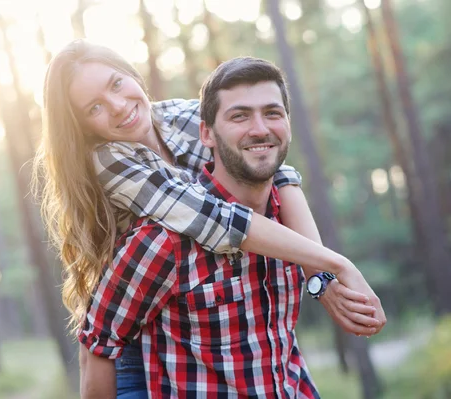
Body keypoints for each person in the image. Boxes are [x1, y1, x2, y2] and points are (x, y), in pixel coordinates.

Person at [33, 40, 385, 398]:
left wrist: (320, 278)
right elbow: (211, 219)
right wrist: (333, 263)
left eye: (116, 84)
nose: (119, 106)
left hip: (218, 328)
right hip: (137, 344)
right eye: (95, 107)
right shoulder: (107, 161)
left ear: (131, 73)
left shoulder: (184, 116)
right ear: (83, 126)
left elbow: (277, 171)